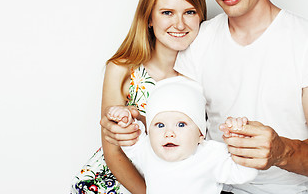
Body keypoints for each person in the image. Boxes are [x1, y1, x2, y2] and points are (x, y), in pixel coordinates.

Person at [174, 0, 308, 193]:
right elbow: (178, 129)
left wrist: (281, 152)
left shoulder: (302, 40)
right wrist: (137, 126)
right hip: (217, 188)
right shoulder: (198, 40)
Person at [71, 0, 207, 194]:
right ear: (149, 19)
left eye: (190, 12)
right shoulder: (122, 70)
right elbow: (112, 150)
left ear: (201, 15)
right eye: (167, 13)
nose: (180, 24)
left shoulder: (203, 77)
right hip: (116, 185)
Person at [108, 76, 257, 193]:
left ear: (200, 134)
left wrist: (242, 139)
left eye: (181, 124)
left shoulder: (211, 155)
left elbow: (245, 174)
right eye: (160, 125)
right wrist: (124, 119)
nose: (169, 133)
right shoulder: (148, 150)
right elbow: (130, 139)